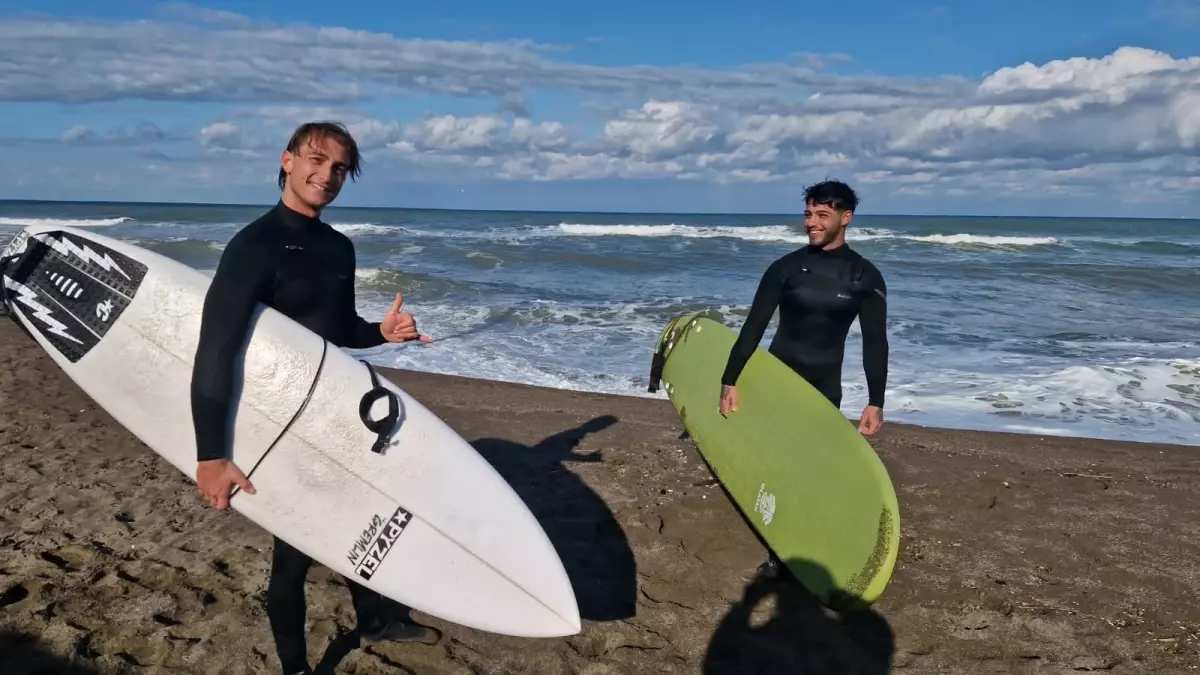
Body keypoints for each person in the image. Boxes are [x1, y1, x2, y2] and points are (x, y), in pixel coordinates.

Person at [189, 121, 437, 675]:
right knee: (295, 552)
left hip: (330, 410)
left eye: (339, 168)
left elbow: (337, 328)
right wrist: (211, 455)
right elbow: (216, 350)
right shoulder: (252, 247)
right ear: (288, 160)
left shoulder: (337, 247)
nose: (327, 175)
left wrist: (381, 332)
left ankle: (373, 620)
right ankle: (296, 667)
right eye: (316, 159)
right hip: (279, 421)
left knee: (355, 516)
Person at [719, 179, 889, 434]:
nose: (811, 223)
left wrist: (876, 402)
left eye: (822, 215)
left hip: (825, 390)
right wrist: (729, 380)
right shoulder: (786, 267)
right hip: (777, 380)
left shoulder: (865, 276)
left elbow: (874, 343)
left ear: (846, 218)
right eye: (808, 214)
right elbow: (754, 326)